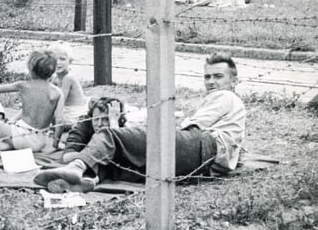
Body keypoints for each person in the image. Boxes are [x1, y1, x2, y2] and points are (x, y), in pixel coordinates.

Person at [35, 53, 246, 193]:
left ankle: (76, 167)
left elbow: (191, 129)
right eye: (207, 77)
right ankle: (84, 181)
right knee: (122, 160)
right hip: (202, 166)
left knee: (112, 135)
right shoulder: (231, 105)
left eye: (218, 76)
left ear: (234, 81)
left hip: (202, 148)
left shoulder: (225, 97)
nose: (211, 82)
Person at [48, 42, 88, 128]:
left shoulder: (68, 78)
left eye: (62, 59)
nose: (58, 62)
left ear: (70, 61)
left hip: (73, 114)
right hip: (66, 110)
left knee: (49, 117)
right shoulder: (55, 78)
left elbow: (60, 101)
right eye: (54, 59)